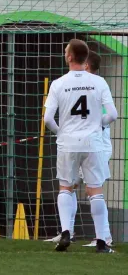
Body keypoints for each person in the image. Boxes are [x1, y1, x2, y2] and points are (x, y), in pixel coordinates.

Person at [44, 39, 117, 253]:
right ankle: (102, 241)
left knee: (66, 187)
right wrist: (97, 124)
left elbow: (48, 118)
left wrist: (61, 132)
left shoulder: (58, 83)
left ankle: (66, 231)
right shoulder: (99, 82)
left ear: (69, 57)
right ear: (86, 59)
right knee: (95, 191)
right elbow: (112, 114)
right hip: (92, 142)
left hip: (67, 143)